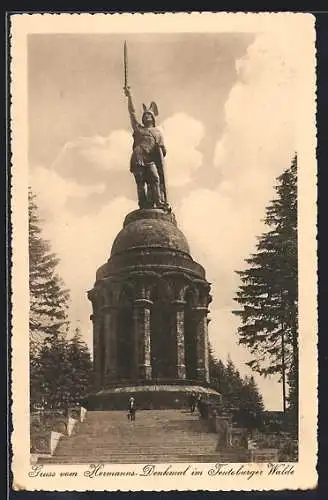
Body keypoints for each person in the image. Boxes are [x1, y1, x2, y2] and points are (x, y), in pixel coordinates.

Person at [124, 85, 170, 211]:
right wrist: (130, 96)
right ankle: (143, 205)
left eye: (149, 115)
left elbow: (161, 151)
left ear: (153, 118)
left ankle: (158, 201)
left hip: (150, 158)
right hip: (138, 156)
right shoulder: (138, 129)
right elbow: (132, 113)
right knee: (141, 182)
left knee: (155, 178)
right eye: (144, 116)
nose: (146, 117)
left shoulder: (157, 132)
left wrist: (161, 150)